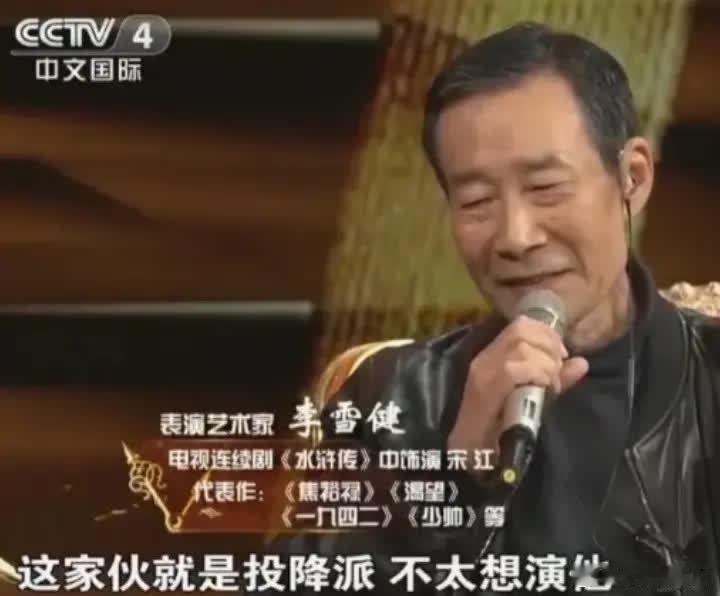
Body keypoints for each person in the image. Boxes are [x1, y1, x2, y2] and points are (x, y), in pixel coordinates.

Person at [269, 22, 720, 595]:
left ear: (631, 178)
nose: (515, 237)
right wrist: (447, 488)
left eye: (546, 187)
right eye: (477, 200)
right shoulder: (395, 396)